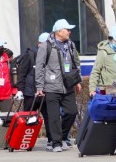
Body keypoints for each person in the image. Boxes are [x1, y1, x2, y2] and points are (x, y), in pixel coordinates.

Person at [35, 19, 82, 152]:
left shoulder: (71, 45)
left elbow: (76, 63)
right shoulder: (46, 46)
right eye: (67, 29)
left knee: (72, 112)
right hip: (51, 86)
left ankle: (61, 136)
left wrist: (78, 81)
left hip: (68, 85)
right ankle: (56, 143)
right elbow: (39, 67)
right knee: (54, 116)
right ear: (59, 31)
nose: (69, 32)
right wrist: (39, 86)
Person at [92, 25, 116, 96]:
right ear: (111, 39)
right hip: (107, 90)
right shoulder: (103, 51)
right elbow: (96, 71)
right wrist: (92, 89)